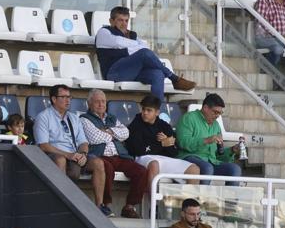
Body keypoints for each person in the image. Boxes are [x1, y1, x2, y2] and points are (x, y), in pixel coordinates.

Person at [93, 5, 194, 99]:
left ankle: (156, 110)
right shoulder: (104, 32)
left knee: (157, 74)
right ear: (111, 21)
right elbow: (119, 42)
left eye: (126, 21)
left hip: (133, 72)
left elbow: (145, 45)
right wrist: (137, 46)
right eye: (120, 20)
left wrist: (134, 47)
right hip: (114, 73)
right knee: (144, 53)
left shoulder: (131, 35)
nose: (124, 24)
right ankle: (174, 78)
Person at [81, 89, 148, 218]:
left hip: (120, 155)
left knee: (141, 171)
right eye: (97, 102)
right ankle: (105, 204)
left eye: (103, 101)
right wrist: (114, 134)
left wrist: (107, 130)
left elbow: (126, 133)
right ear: (89, 104)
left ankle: (129, 206)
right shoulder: (84, 119)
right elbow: (94, 138)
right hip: (100, 155)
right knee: (108, 168)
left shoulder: (111, 117)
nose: (101, 105)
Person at [125, 95, 199, 179]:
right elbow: (137, 150)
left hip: (162, 159)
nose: (145, 113)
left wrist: (168, 145)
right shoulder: (136, 124)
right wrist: (161, 144)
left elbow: (174, 153)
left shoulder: (164, 126)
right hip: (142, 157)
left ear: (157, 112)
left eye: (149, 110)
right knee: (154, 164)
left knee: (194, 169)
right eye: (143, 109)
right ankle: (151, 192)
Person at [175, 93, 242, 177]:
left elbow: (217, 155)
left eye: (220, 113)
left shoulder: (216, 125)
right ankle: (200, 190)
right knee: (207, 168)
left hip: (211, 162)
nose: (217, 116)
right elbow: (183, 143)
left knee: (235, 169)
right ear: (205, 108)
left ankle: (230, 191)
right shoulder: (189, 118)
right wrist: (206, 140)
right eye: (215, 112)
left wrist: (232, 150)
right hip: (189, 158)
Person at [33, 85, 92, 179]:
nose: (68, 100)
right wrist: (68, 155)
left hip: (74, 155)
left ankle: (103, 194)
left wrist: (83, 154)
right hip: (53, 155)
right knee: (61, 160)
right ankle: (60, 193)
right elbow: (43, 146)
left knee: (99, 163)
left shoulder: (74, 118)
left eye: (69, 97)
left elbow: (83, 142)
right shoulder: (43, 117)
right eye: (63, 97)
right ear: (54, 99)